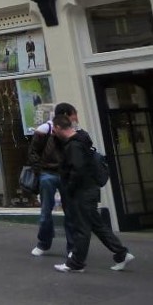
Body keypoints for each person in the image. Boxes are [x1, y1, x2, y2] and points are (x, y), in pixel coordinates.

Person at [52, 113, 134, 273]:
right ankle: (121, 253)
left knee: (82, 228)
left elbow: (77, 170)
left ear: (58, 127)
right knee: (97, 225)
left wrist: (69, 188)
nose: (54, 134)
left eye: (54, 130)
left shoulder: (73, 146)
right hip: (90, 189)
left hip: (82, 191)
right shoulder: (81, 140)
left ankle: (76, 263)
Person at [29, 102, 77, 257]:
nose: (76, 118)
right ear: (66, 115)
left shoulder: (73, 131)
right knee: (45, 212)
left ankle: (72, 248)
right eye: (73, 114)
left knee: (70, 211)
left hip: (65, 174)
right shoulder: (45, 129)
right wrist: (40, 170)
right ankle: (44, 243)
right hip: (48, 174)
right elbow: (33, 151)